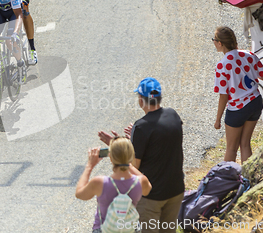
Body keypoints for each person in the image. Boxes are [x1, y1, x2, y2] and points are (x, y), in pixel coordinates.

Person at [98, 78, 185, 233]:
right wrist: (134, 138)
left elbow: (132, 166)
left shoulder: (142, 127)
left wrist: (117, 146)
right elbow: (160, 142)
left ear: (141, 100)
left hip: (152, 197)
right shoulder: (173, 115)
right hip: (176, 190)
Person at [212, 26, 263, 163]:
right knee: (245, 144)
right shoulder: (248, 55)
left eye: (214, 40)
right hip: (255, 102)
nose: (214, 42)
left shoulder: (222, 65)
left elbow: (223, 95)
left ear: (220, 43)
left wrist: (218, 119)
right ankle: (247, 180)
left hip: (237, 109)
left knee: (231, 148)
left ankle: (229, 181)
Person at [75, 137, 152, 233]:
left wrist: (89, 166)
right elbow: (148, 189)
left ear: (110, 158)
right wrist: (127, 162)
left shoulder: (99, 182)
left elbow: (79, 194)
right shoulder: (141, 181)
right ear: (132, 156)